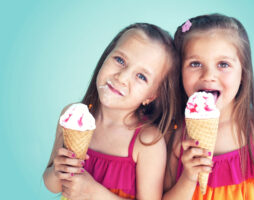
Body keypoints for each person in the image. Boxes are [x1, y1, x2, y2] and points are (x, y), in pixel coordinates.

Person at [43, 23, 180, 200]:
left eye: (141, 76)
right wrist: (56, 172)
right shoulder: (71, 115)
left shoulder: (147, 142)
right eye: (120, 60)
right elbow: (52, 185)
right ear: (106, 56)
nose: (121, 77)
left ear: (151, 96)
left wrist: (94, 194)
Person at [163, 14, 254, 200]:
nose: (208, 76)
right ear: (179, 71)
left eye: (223, 64)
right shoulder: (174, 135)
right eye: (195, 63)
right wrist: (188, 178)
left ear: (244, 72)